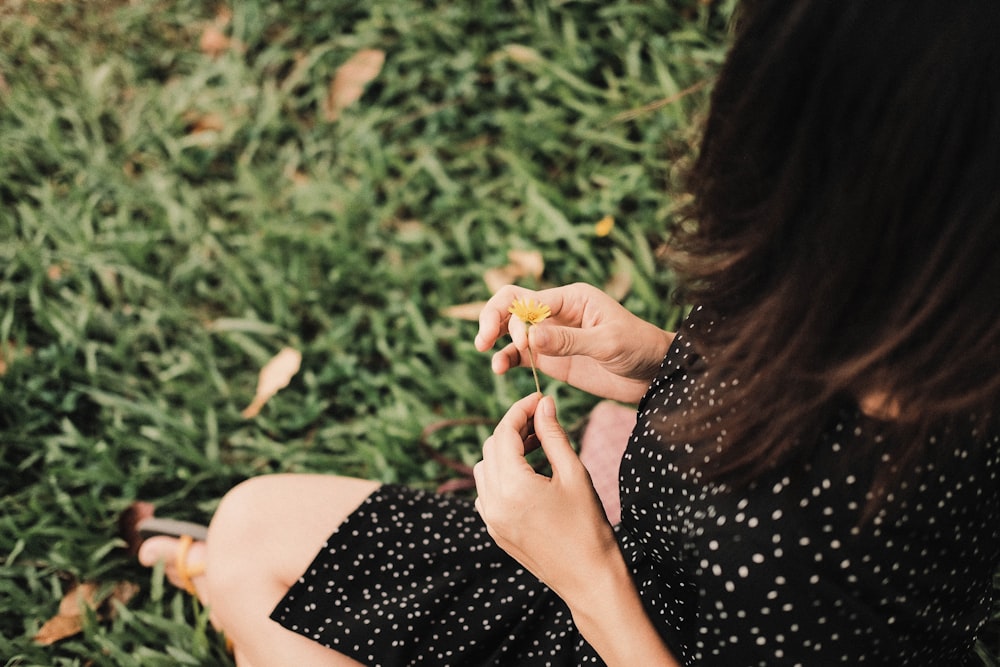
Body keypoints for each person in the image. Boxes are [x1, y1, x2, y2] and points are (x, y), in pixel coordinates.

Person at [135, 1, 1000, 665]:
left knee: (253, 584)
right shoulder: (908, 325)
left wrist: (582, 567)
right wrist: (663, 364)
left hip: (629, 622)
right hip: (653, 578)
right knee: (253, 522)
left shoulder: (813, 555)